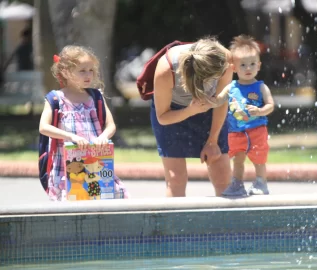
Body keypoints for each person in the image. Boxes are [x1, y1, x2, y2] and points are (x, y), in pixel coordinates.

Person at [39, 45, 129, 201]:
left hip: (96, 161)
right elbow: (44, 127)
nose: (88, 75)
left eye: (91, 70)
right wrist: (71, 137)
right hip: (68, 165)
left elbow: (111, 125)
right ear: (66, 72)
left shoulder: (96, 97)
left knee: (103, 198)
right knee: (75, 198)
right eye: (82, 71)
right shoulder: (56, 99)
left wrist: (103, 136)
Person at [151, 37, 233, 197]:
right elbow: (162, 117)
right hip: (172, 111)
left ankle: (226, 221)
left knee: (222, 174)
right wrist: (190, 111)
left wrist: (213, 141)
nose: (228, 70)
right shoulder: (166, 70)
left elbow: (222, 101)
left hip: (211, 108)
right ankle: (175, 221)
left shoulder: (224, 59)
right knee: (176, 180)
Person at [222, 35, 274, 197]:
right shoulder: (231, 87)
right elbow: (219, 99)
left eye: (252, 64)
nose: (248, 68)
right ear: (234, 68)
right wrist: (208, 100)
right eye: (243, 65)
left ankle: (261, 183)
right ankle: (237, 184)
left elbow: (270, 105)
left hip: (256, 130)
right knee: (238, 160)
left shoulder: (261, 87)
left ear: (258, 65)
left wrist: (260, 111)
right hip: (236, 131)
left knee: (259, 160)